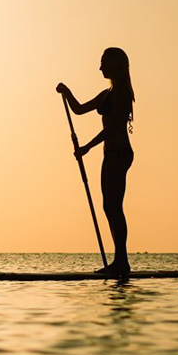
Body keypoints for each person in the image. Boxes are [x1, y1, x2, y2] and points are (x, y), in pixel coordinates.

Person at [57, 47, 136, 276]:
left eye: (103, 63)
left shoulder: (121, 92)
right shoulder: (106, 93)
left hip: (120, 153)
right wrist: (67, 92)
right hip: (110, 153)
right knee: (108, 207)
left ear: (114, 65)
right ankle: (119, 260)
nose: (100, 67)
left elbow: (112, 129)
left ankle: (122, 261)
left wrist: (87, 148)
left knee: (114, 207)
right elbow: (79, 109)